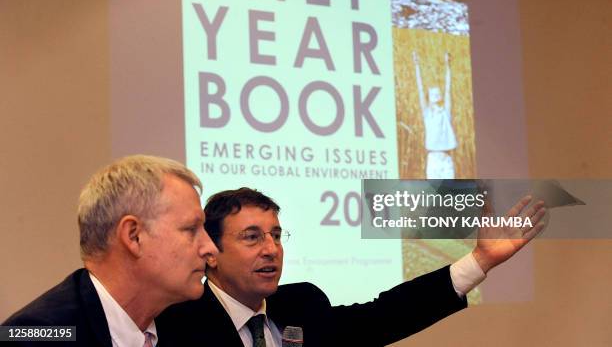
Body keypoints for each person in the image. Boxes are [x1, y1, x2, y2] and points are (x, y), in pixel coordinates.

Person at [157, 187, 546, 346]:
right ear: (211, 251)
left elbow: (384, 316)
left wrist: (478, 262)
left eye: (276, 235)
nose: (271, 249)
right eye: (252, 237)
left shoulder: (302, 303)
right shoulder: (176, 323)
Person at [2, 155, 218, 347]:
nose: (210, 248)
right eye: (191, 229)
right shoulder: (36, 337)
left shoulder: (192, 327)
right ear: (133, 236)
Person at [413, 51, 458, 179]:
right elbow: (420, 89)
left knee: (450, 196)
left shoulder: (445, 112)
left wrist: (448, 66)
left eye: (438, 94)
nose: (436, 96)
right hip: (433, 160)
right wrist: (417, 65)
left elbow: (448, 89)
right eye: (433, 94)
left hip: (446, 159)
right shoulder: (428, 114)